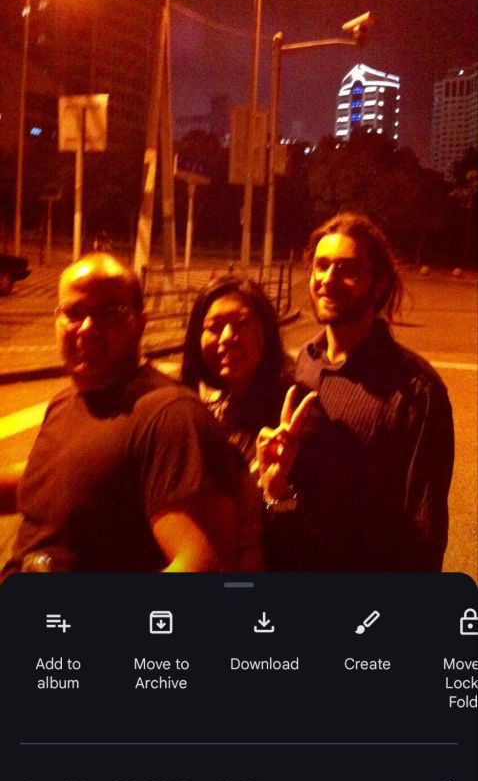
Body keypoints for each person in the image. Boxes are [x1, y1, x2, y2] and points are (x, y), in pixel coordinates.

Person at [0, 254, 248, 577]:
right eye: (73, 312)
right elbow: (60, 478)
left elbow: (203, 566)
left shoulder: (172, 415)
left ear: (140, 323)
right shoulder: (67, 400)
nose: (87, 328)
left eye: (109, 312)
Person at [257, 213, 455, 571]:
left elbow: (424, 533)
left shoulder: (416, 390)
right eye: (321, 266)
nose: (328, 280)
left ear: (379, 285)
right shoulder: (306, 360)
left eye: (347, 269)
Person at [181, 275, 293, 466]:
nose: (226, 337)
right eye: (213, 327)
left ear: (266, 330)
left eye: (242, 323)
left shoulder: (292, 417)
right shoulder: (206, 407)